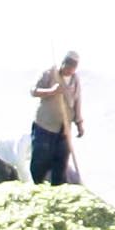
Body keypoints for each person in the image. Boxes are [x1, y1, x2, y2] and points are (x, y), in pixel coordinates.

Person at [30, 52, 84, 185]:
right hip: (45, 126)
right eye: (67, 66)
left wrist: (79, 123)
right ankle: (37, 187)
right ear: (63, 63)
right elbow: (33, 91)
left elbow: (77, 102)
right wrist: (51, 91)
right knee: (41, 160)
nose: (69, 70)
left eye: (72, 68)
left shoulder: (75, 80)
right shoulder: (50, 73)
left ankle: (57, 191)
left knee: (61, 161)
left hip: (64, 128)